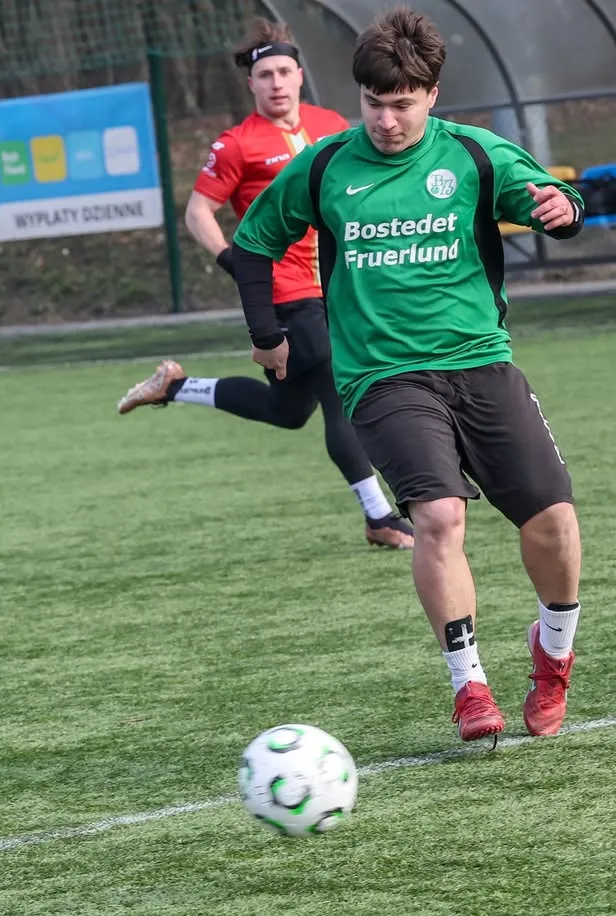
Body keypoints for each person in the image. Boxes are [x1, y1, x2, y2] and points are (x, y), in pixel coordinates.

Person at [230, 7, 585, 743]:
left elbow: (552, 201)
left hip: (480, 363)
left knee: (553, 521)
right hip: (383, 377)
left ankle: (552, 657)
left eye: (402, 104)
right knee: (439, 515)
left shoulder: (475, 155)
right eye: (373, 104)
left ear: (432, 95)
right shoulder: (326, 165)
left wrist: (563, 209)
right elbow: (254, 240)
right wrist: (266, 335)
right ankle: (469, 686)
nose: (386, 121)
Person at [119, 21, 413, 551]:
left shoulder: (331, 124)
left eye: (283, 71)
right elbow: (198, 212)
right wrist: (232, 260)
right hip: (288, 293)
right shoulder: (237, 144)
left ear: (299, 75)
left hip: (342, 287)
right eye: (265, 75)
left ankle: (176, 388)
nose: (276, 82)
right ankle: (380, 517)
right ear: (251, 84)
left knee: (288, 411)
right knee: (339, 393)